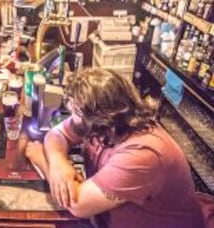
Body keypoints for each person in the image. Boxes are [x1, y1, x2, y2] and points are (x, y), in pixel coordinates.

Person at [25, 68, 204, 228]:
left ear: (101, 117)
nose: (72, 117)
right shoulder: (110, 123)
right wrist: (58, 163)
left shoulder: (142, 154)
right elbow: (57, 134)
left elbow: (77, 204)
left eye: (76, 112)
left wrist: (41, 159)